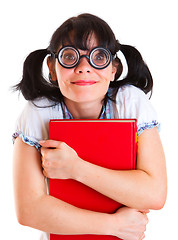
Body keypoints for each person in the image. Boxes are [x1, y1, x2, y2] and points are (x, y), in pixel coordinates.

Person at [12, 13, 167, 240]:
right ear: (52, 68)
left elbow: (154, 194)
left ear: (114, 68)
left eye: (99, 57)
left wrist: (76, 168)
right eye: (69, 56)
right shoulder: (38, 112)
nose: (84, 68)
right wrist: (113, 225)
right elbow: (29, 210)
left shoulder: (130, 102)